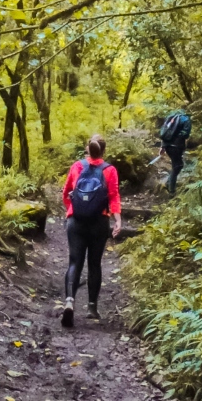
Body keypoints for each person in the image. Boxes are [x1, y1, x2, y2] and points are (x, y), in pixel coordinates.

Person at [61, 134, 122, 328]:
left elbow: (66, 193)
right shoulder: (110, 170)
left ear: (88, 148)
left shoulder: (77, 166)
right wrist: (118, 220)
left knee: (74, 261)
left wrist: (71, 211)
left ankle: (70, 300)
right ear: (104, 150)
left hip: (76, 221)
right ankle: (92, 307)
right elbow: (113, 196)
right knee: (94, 264)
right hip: (99, 222)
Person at [158, 108, 191, 194]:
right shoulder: (185, 118)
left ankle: (169, 183)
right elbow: (186, 134)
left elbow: (165, 132)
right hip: (177, 146)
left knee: (176, 165)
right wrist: (179, 138)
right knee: (178, 166)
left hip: (167, 146)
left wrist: (163, 146)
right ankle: (171, 190)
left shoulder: (170, 118)